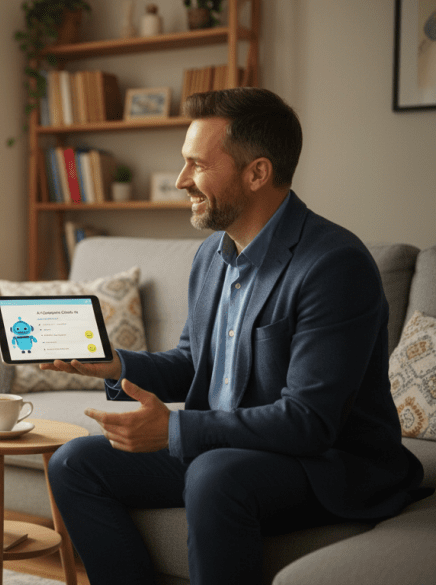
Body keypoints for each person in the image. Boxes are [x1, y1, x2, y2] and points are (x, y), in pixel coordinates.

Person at [44, 88, 424, 584]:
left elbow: (310, 421)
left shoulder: (334, 265)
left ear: (257, 173)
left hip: (324, 462)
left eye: (197, 166)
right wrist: (116, 366)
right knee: (74, 462)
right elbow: (193, 362)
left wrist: (176, 431)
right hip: (227, 446)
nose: (182, 181)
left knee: (214, 475)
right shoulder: (210, 256)